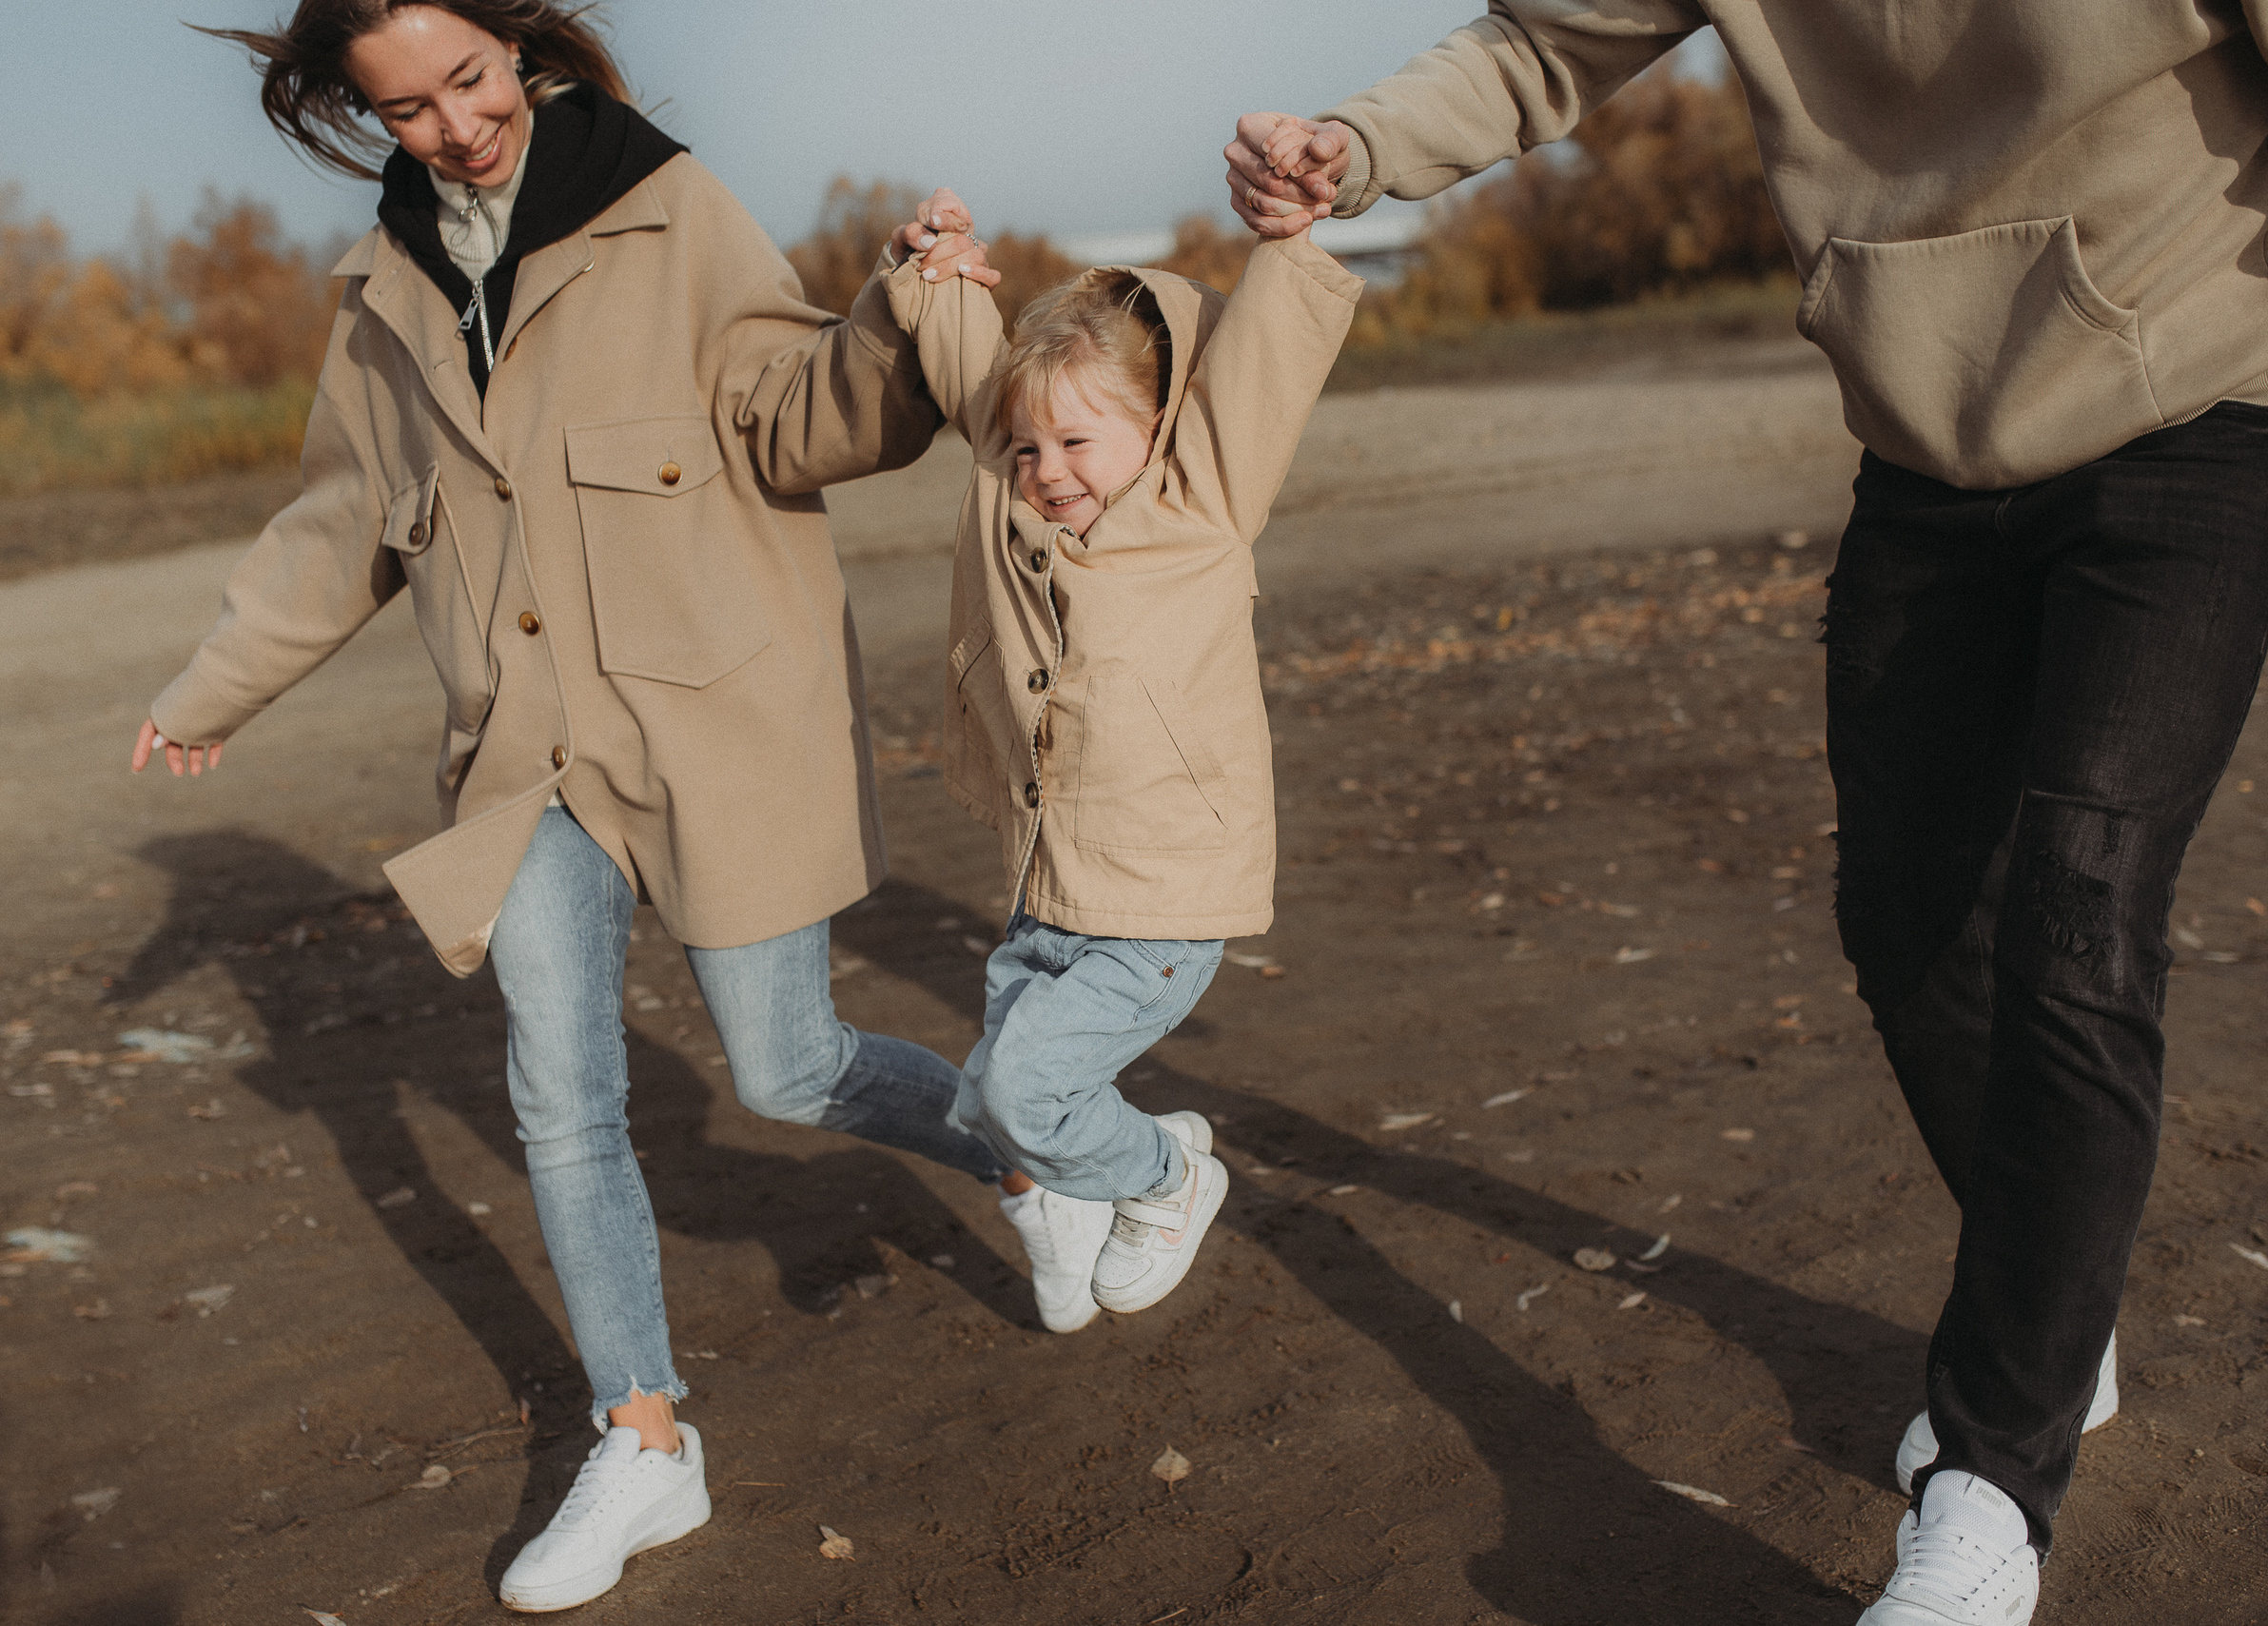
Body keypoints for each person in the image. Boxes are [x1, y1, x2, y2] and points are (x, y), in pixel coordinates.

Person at [1226, 10, 2268, 1624]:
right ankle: (2055, 1306)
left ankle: (1989, 1481)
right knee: (1908, 925)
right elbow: (1537, 48)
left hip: (2207, 407)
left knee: (2078, 909)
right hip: (1928, 445)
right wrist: (1353, 150)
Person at [131, 3, 1105, 1613]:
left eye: (468, 77)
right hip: (521, 756)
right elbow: (342, 519)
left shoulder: (669, 205)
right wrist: (210, 685)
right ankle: (644, 1436)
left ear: (520, 49)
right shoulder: (380, 297)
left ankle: (1028, 1154)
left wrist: (898, 310)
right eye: (407, 108)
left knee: (789, 1066)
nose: (455, 122)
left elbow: (799, 411)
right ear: (364, 120)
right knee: (559, 1097)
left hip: (707, 715)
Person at [871, 189, 1362, 1322]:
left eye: (1079, 442)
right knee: (991, 1106)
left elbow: (1260, 370)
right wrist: (936, 270)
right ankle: (1074, 1200)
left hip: (1159, 902)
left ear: (1158, 428)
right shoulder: (1013, 497)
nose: (1047, 467)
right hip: (1049, 892)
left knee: (1018, 1088)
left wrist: (1287, 238)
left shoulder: (1202, 503)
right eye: (1030, 443)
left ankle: (1165, 1177)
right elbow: (974, 381)